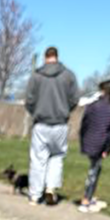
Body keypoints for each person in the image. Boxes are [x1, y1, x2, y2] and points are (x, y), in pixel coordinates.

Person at [24, 46, 79, 205]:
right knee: (57, 157)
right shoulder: (68, 75)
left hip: (41, 123)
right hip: (60, 123)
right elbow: (75, 99)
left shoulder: (36, 76)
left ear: (45, 57)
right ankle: (51, 188)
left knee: (38, 160)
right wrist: (65, 110)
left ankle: (34, 195)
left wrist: (35, 112)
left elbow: (29, 100)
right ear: (57, 56)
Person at [78, 80, 110, 212]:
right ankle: (86, 200)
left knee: (94, 169)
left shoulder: (92, 106)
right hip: (100, 143)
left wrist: (83, 140)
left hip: (89, 140)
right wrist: (107, 149)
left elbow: (84, 124)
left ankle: (89, 197)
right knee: (94, 171)